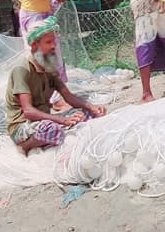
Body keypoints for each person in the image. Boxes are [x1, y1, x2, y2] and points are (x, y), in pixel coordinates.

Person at [6, 18, 106, 154]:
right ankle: (25, 146)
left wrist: (92, 107)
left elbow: (69, 97)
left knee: (88, 114)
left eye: (54, 41)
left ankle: (48, 139)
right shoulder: (22, 69)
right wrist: (62, 120)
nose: (53, 46)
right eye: (48, 42)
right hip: (23, 125)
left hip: (44, 119)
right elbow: (28, 111)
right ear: (35, 45)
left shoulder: (49, 67)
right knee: (51, 128)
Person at [11, 0, 71, 108]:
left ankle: (53, 97)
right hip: (34, 15)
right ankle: (53, 99)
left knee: (51, 55)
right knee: (44, 58)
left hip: (40, 14)